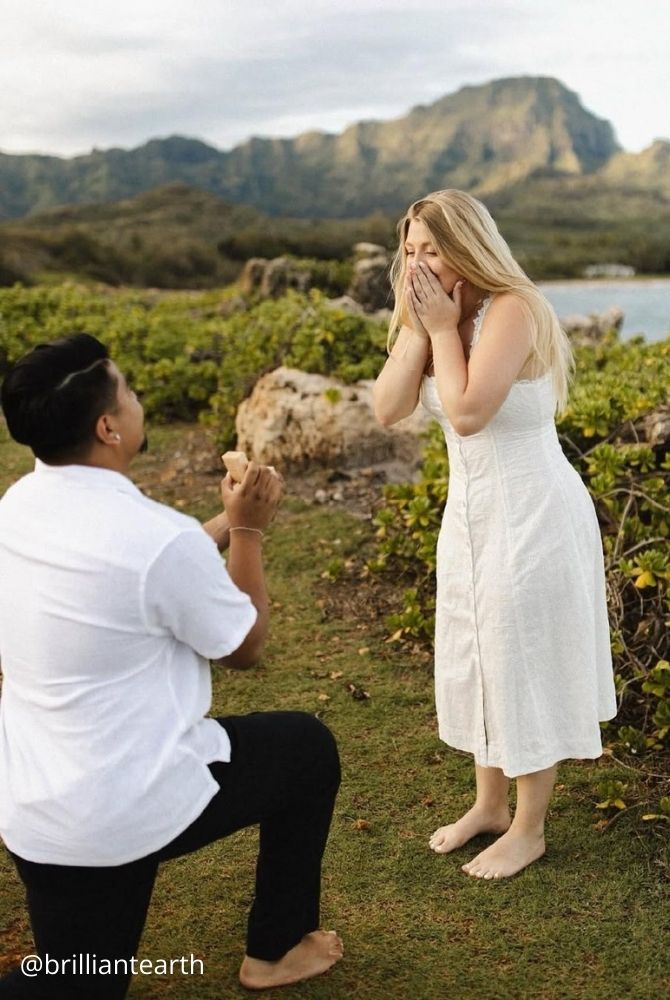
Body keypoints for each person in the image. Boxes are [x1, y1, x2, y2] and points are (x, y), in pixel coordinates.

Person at [0, 334, 343, 998]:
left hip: (34, 803)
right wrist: (247, 531)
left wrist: (219, 519)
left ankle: (276, 949)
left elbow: (143, 564)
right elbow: (244, 646)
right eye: (126, 389)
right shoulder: (155, 540)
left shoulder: (16, 507)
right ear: (107, 427)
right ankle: (274, 952)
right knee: (307, 749)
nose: (136, 398)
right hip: (114, 810)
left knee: (75, 978)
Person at [373, 190, 617, 881]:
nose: (417, 262)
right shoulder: (439, 314)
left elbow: (471, 410)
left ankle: (530, 828)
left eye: (432, 249)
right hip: (473, 514)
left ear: (468, 247)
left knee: (523, 656)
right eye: (410, 249)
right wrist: (423, 330)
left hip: (533, 512)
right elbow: (389, 408)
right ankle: (488, 805)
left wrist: (445, 331)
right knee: (478, 649)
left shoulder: (513, 308)